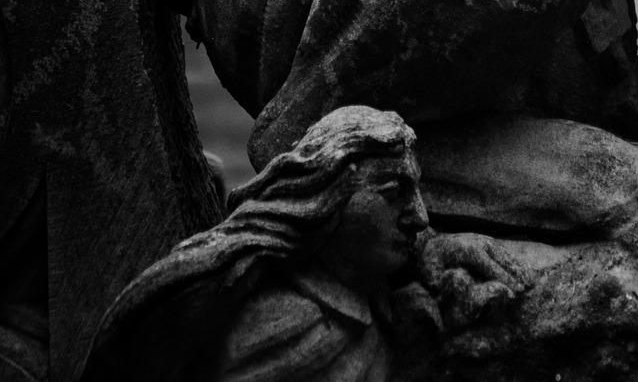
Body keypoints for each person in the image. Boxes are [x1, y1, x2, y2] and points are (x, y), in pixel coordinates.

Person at [85, 106, 517, 382]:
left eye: (416, 193)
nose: (419, 217)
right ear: (329, 198)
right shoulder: (284, 323)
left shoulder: (372, 308)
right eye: (393, 193)